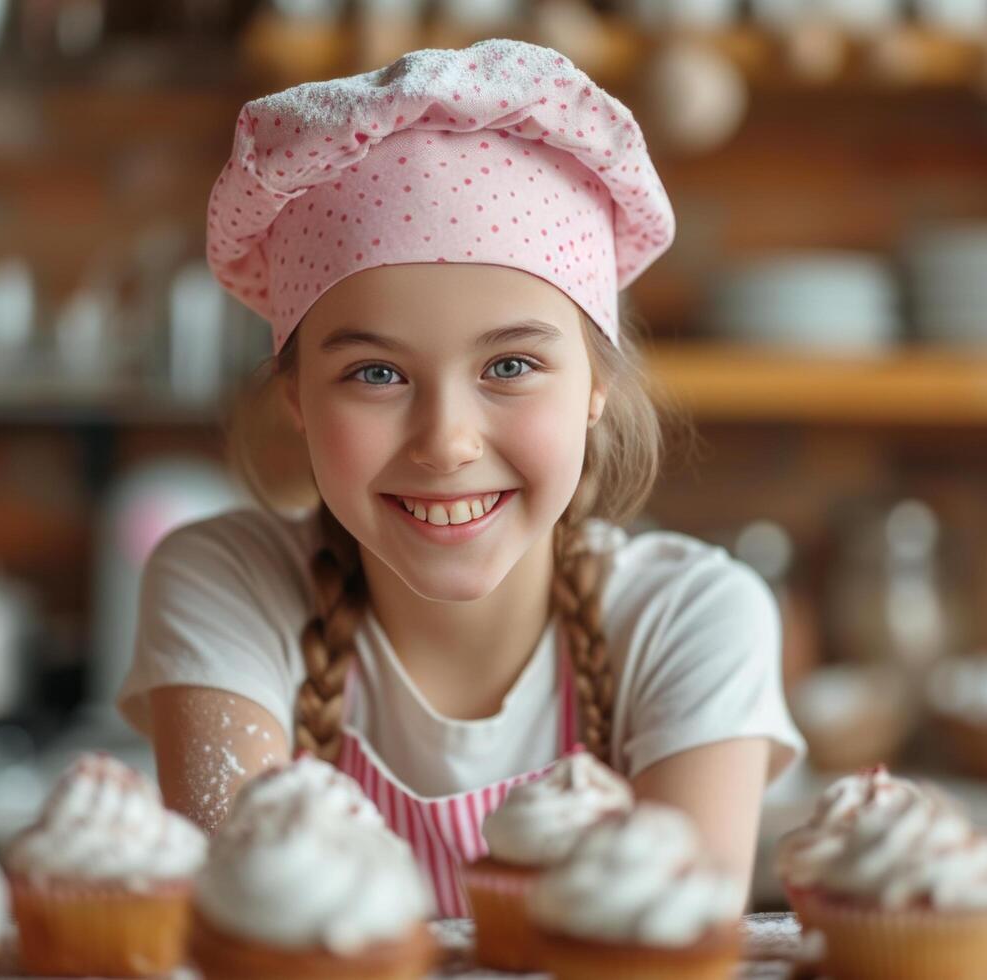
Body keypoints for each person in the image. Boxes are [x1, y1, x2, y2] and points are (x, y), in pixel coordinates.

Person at [119, 37, 803, 916]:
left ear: (596, 384)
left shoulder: (694, 621)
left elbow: (670, 956)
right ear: (294, 396)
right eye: (375, 373)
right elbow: (243, 940)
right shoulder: (225, 587)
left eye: (510, 366)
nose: (445, 443)